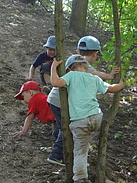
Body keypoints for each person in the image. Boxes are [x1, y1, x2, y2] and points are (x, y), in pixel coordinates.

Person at [46, 35, 120, 166]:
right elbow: (95, 74)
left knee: (61, 126)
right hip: (59, 101)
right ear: (95, 54)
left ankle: (59, 149)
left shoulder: (74, 62)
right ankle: (56, 155)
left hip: (53, 99)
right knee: (66, 129)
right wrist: (110, 76)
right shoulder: (82, 64)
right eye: (96, 56)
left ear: (78, 51)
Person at [51, 55, 124, 183]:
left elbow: (55, 83)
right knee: (86, 139)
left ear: (69, 69)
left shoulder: (71, 76)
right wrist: (121, 84)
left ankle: (80, 178)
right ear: (86, 68)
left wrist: (53, 67)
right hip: (96, 117)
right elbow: (112, 88)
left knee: (80, 151)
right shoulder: (94, 78)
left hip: (80, 120)